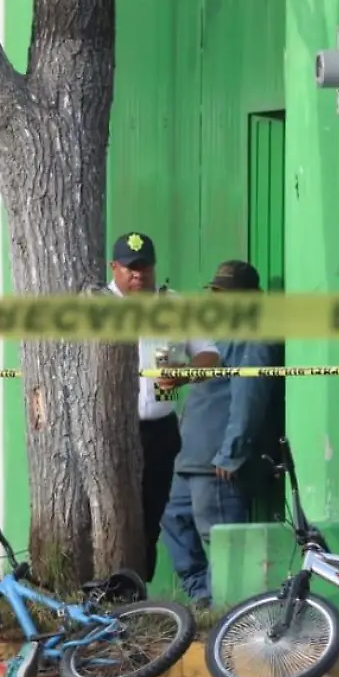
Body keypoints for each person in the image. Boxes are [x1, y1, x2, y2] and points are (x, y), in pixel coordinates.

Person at [159, 261, 283, 609]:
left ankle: (227, 610)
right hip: (191, 456)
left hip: (217, 460)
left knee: (220, 538)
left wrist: (232, 452)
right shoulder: (216, 335)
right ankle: (203, 598)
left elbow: (250, 397)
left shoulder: (253, 334)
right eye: (216, 292)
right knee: (173, 519)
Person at [109, 231, 220, 580]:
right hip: (110, 432)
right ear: (114, 268)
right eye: (129, 268)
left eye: (144, 267)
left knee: (150, 517)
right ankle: (107, 595)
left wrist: (185, 375)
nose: (137, 274)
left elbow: (210, 354)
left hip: (159, 429)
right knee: (113, 517)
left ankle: (138, 594)